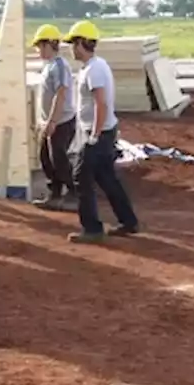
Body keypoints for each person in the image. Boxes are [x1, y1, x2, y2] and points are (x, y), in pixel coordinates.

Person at [62, 21, 140, 243]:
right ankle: (128, 221)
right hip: (103, 131)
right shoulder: (95, 66)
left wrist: (93, 136)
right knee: (107, 179)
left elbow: (101, 104)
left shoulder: (94, 70)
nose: (71, 48)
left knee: (81, 178)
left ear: (82, 43)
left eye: (73, 43)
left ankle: (92, 229)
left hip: (97, 133)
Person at [30, 24, 78, 211]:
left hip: (62, 121)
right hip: (51, 121)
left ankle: (74, 192)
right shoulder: (48, 66)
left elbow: (61, 93)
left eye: (41, 46)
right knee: (45, 157)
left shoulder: (59, 66)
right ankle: (55, 192)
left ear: (51, 44)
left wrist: (53, 121)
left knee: (58, 157)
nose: (39, 50)